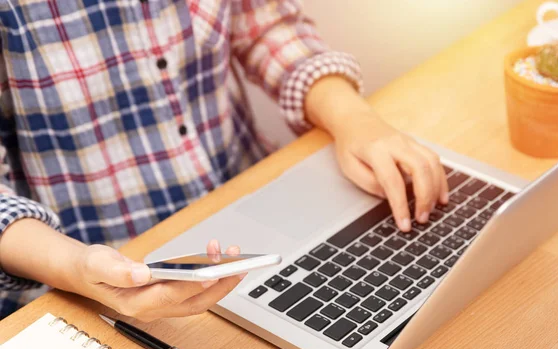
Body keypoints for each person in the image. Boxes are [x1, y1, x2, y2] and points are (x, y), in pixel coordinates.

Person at [0, 1, 448, 321]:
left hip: (252, 205)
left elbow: (261, 20)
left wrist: (353, 118)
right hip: (83, 276)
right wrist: (77, 268)